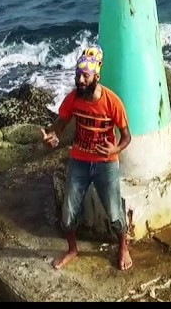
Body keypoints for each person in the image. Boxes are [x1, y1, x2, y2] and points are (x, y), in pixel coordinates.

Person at [40, 46, 134, 271]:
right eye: (77, 75)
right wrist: (52, 137)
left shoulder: (112, 102)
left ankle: (123, 247)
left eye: (85, 76)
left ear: (96, 77)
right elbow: (60, 125)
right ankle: (73, 249)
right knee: (68, 213)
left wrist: (115, 149)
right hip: (79, 161)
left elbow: (127, 136)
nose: (80, 80)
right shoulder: (73, 98)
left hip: (106, 164)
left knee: (114, 213)